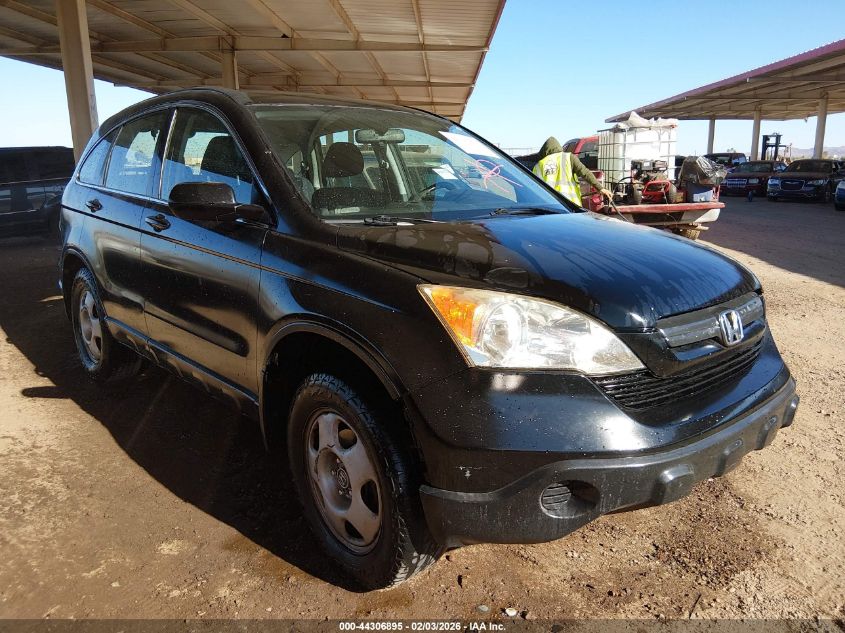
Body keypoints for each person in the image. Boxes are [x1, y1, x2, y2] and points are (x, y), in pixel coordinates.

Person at [532, 137, 613, 206]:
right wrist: (601, 189)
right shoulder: (568, 157)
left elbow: (534, 188)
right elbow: (585, 173)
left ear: (544, 151)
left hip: (551, 206)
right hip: (571, 205)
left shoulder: (539, 165)